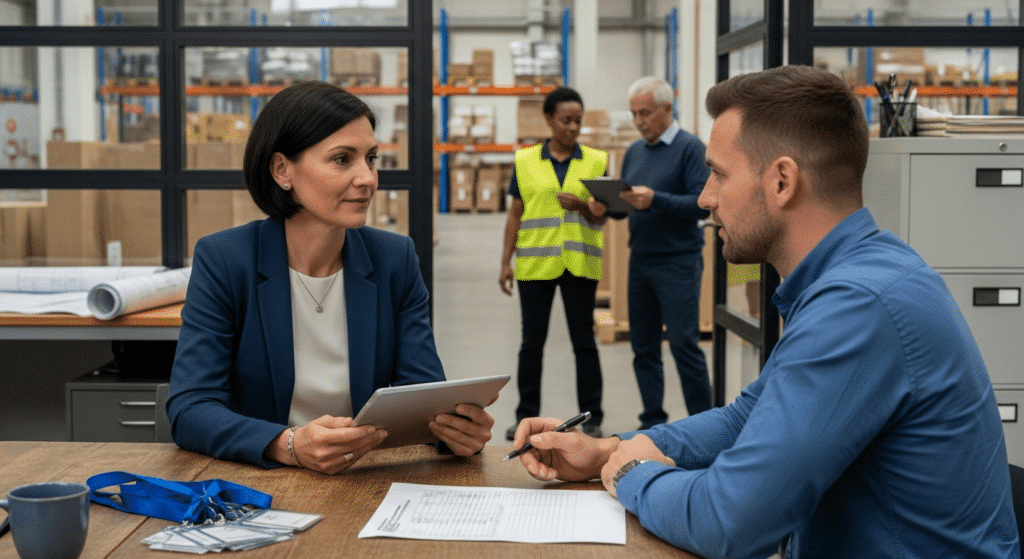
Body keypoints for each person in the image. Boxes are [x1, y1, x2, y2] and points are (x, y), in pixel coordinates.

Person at [511, 65, 1019, 558]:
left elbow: (729, 522)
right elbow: (747, 418)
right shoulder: (855, 276)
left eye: (718, 174)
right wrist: (607, 449)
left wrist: (630, 474)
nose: (705, 198)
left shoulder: (858, 306)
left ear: (782, 182)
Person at [167, 81, 495, 475]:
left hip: (361, 479)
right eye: (342, 159)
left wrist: (455, 433)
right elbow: (190, 409)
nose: (367, 178)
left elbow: (421, 393)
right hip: (260, 482)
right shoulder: (226, 260)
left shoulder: (394, 260)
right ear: (282, 170)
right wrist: (287, 444)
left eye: (371, 159)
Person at [498, 86, 608, 441]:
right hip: (536, 264)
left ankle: (592, 416)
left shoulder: (597, 161)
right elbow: (515, 213)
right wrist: (505, 262)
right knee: (531, 344)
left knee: (584, 343)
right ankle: (525, 416)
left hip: (579, 264)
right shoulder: (525, 160)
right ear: (549, 119)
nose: (573, 127)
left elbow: (602, 217)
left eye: (578, 120)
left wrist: (582, 206)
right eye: (565, 120)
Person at [610, 76, 712, 429]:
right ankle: (652, 421)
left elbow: (701, 204)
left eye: (646, 113)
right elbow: (627, 206)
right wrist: (605, 205)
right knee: (644, 348)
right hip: (640, 261)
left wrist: (656, 199)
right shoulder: (635, 152)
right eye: (634, 114)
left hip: (678, 262)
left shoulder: (691, 148)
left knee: (684, 346)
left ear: (668, 108)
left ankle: (704, 425)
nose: (639, 121)